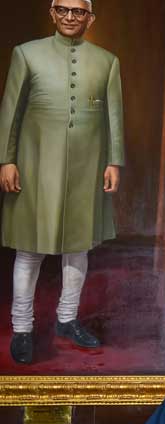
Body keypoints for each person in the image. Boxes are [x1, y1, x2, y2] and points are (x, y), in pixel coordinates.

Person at [0, 0, 125, 364]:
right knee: (29, 248)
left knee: (78, 246)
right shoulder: (27, 54)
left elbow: (114, 115)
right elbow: (11, 110)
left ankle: (66, 320)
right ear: (52, 13)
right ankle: (22, 327)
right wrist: (6, 159)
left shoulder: (107, 61)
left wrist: (114, 161)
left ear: (91, 18)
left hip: (88, 165)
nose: (71, 17)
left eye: (78, 11)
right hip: (35, 163)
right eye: (63, 10)